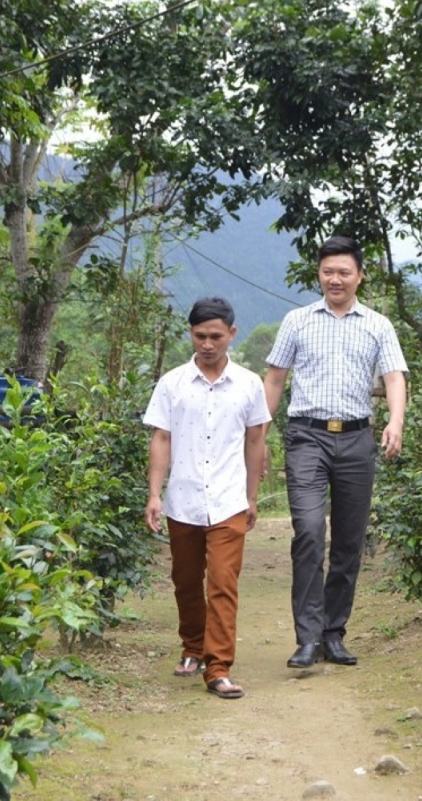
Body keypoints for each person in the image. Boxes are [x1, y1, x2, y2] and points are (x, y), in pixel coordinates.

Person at [263, 235, 408, 669]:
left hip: (357, 439)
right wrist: (259, 430)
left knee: (349, 539)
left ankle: (333, 632)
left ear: (360, 276)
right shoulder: (297, 321)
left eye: (344, 271)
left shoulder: (378, 325)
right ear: (319, 275)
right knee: (309, 531)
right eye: (328, 271)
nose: (336, 279)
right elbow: (274, 378)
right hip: (307, 436)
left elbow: (395, 377)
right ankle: (307, 637)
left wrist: (395, 421)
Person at [143, 297, 271, 699]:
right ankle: (192, 647)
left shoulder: (249, 384)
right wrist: (154, 494)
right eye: (200, 336)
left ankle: (218, 668)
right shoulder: (172, 384)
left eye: (216, 336)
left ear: (232, 334)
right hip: (183, 500)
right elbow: (161, 437)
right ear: (191, 334)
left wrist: (252, 496)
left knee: (222, 582)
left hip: (230, 499)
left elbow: (256, 441)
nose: (208, 344)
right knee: (184, 580)